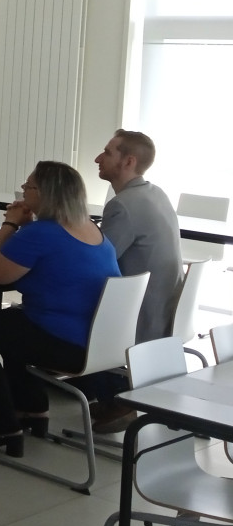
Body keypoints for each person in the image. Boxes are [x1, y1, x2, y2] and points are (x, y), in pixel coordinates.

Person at [0, 161, 120, 454]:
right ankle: (31, 409)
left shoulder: (43, 232)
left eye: (29, 186)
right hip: (97, 340)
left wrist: (10, 224)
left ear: (46, 193)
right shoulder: (94, 232)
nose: (23, 189)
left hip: (64, 342)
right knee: (11, 326)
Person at [87, 130, 183, 432]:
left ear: (128, 161)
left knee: (67, 310)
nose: (98, 158)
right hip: (165, 309)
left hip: (141, 315)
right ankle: (111, 394)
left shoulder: (123, 205)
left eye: (107, 152)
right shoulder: (156, 193)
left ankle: (116, 399)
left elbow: (99, 261)